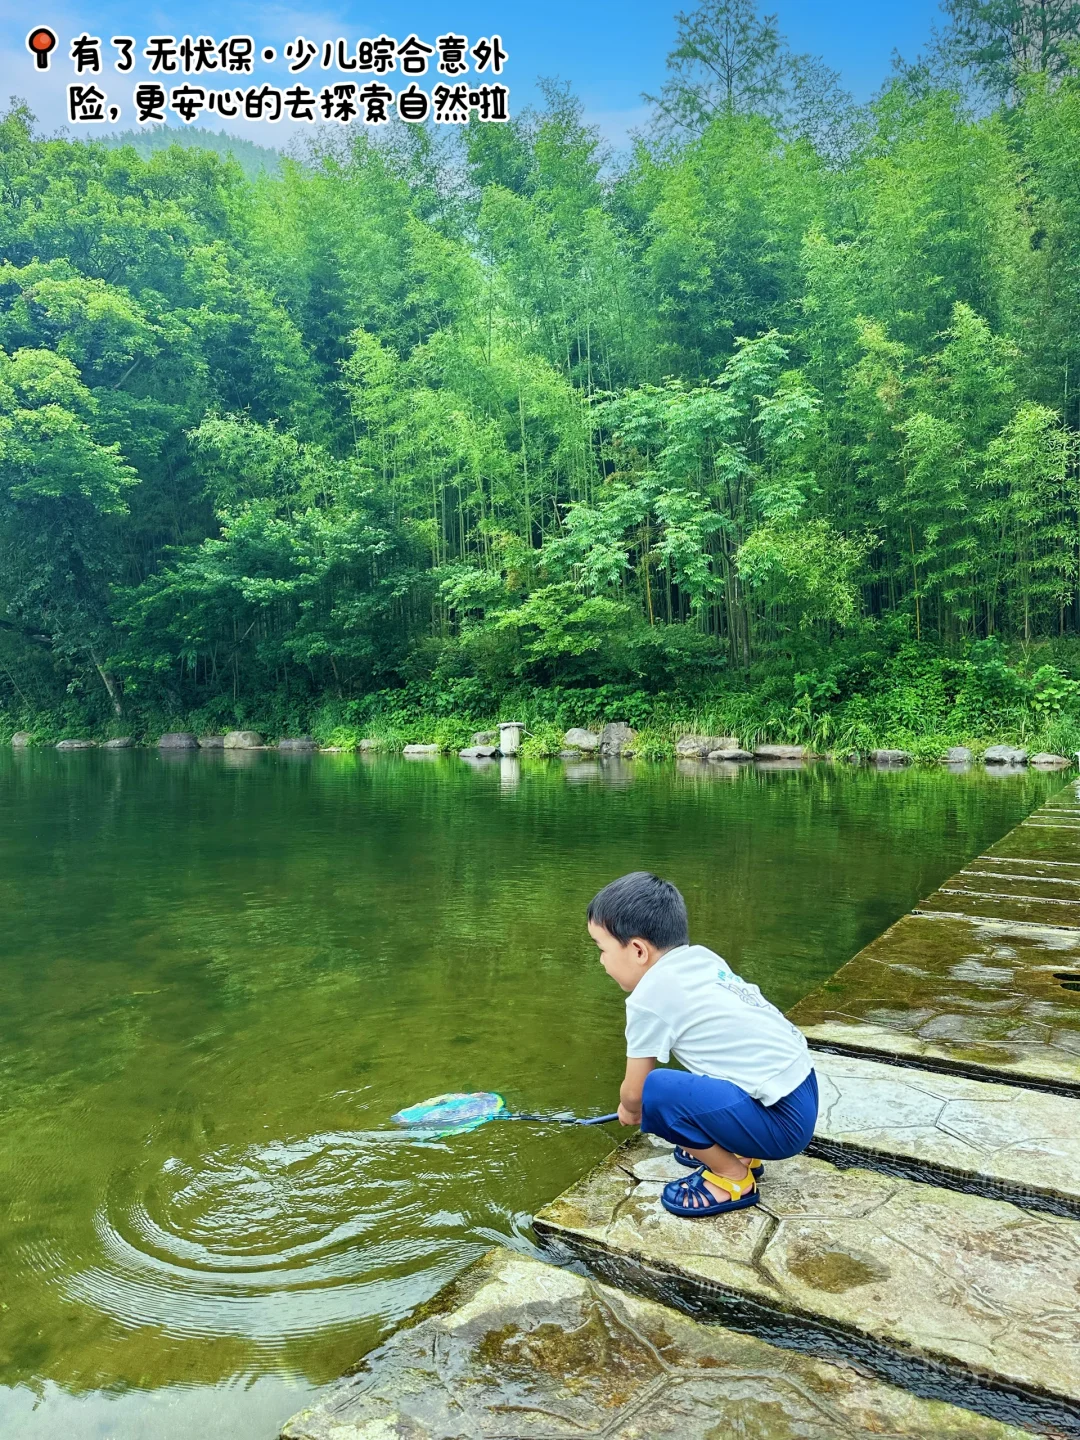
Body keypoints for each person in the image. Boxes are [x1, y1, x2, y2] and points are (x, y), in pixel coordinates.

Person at [587, 871, 818, 1217]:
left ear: (637, 950)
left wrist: (631, 1111)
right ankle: (740, 1148)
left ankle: (732, 1175)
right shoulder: (702, 960)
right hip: (802, 1093)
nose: (601, 961)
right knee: (697, 1080)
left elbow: (635, 1093)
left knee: (659, 1090)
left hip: (783, 1126)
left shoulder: (649, 998)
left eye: (602, 949)